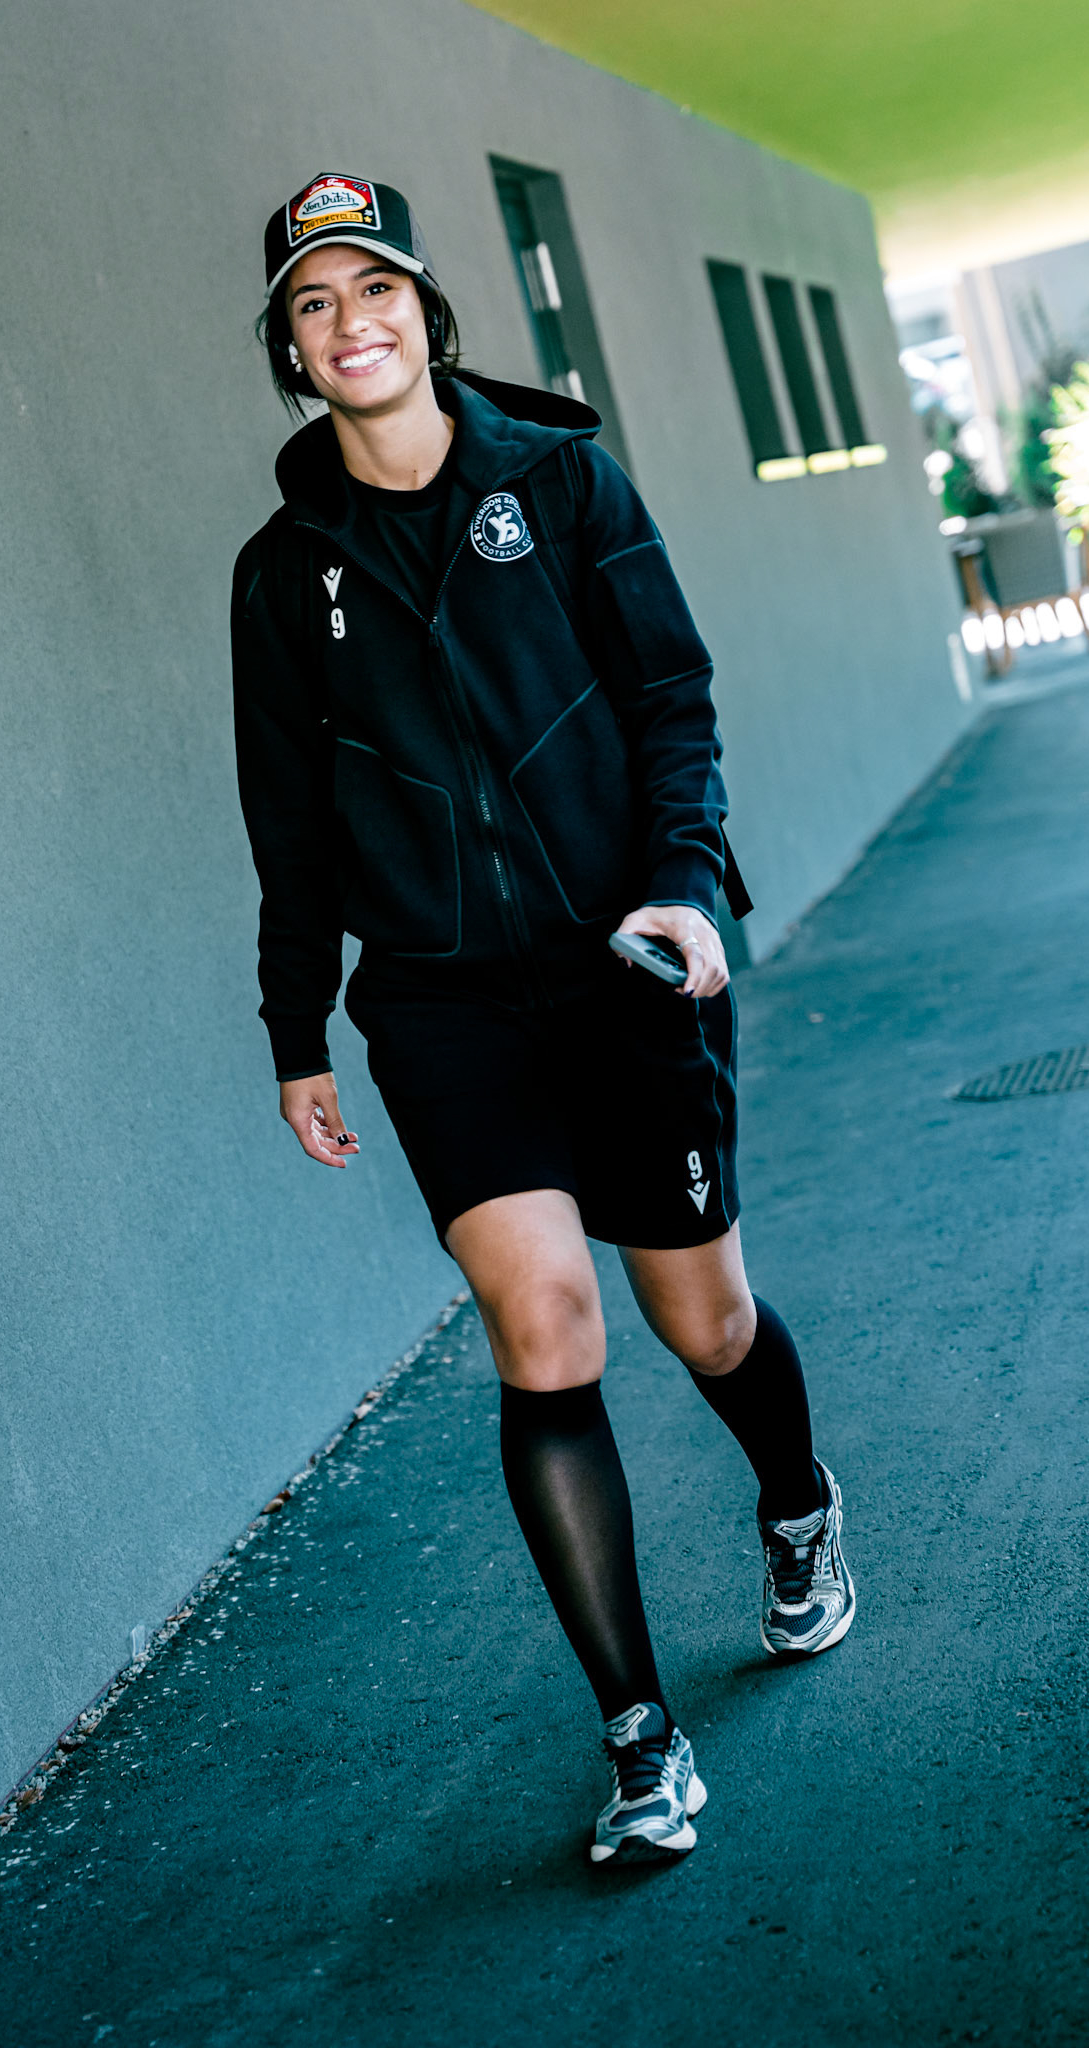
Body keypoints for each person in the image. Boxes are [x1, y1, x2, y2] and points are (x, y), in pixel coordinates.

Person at [231, 171, 854, 1863]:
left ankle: (795, 1505)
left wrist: (687, 890)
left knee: (702, 1323)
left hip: (621, 965)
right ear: (289, 350)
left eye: (373, 291)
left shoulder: (563, 483)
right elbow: (285, 825)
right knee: (544, 1329)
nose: (347, 323)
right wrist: (298, 1031)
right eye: (311, 303)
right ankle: (637, 1738)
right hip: (439, 1004)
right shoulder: (288, 577)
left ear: (428, 316)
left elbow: (671, 701)